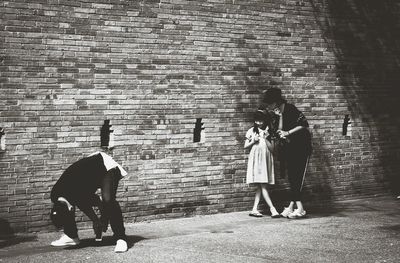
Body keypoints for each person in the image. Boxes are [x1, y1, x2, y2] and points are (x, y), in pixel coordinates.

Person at [50, 151, 128, 253]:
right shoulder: (55, 195)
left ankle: (121, 238)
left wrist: (103, 217)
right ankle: (71, 236)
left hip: (104, 165)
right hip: (88, 173)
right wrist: (96, 220)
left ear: (70, 208)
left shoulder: (75, 188)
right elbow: (82, 201)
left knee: (108, 199)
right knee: (84, 198)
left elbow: (90, 200)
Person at [263, 87, 312, 219]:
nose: (268, 106)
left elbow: (304, 124)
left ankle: (300, 208)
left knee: (297, 177)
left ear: (276, 101)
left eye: (270, 103)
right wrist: (280, 118)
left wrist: (288, 132)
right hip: (289, 148)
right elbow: (280, 131)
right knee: (292, 177)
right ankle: (291, 207)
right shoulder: (276, 113)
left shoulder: (291, 109)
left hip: (301, 146)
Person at [245, 109, 280, 218]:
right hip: (256, 158)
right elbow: (245, 146)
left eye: (261, 121)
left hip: (266, 158)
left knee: (261, 185)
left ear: (265, 121)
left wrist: (265, 138)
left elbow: (273, 149)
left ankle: (254, 209)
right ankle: (272, 209)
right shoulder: (251, 130)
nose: (259, 123)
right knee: (263, 184)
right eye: (257, 121)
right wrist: (253, 141)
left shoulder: (269, 131)